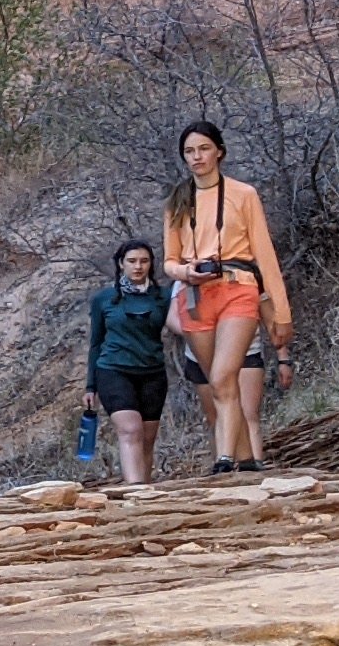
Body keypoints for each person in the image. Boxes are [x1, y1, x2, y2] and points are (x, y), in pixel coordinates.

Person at [163, 121, 289, 473]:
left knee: (222, 376)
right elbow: (169, 260)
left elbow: (265, 255)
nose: (196, 157)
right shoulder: (178, 200)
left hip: (238, 286)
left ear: (218, 150)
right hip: (196, 294)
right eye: (189, 151)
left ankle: (223, 460)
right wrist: (184, 273)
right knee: (220, 384)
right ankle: (248, 461)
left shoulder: (243, 194)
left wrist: (281, 311)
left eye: (203, 148)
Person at [83, 240, 175, 485]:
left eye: (144, 261)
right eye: (132, 261)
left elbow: (182, 327)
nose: (138, 267)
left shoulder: (163, 297)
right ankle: (135, 491)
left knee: (147, 437)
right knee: (130, 430)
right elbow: (95, 342)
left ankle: (144, 491)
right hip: (113, 370)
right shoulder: (104, 298)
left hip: (152, 372)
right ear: (121, 264)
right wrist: (90, 386)